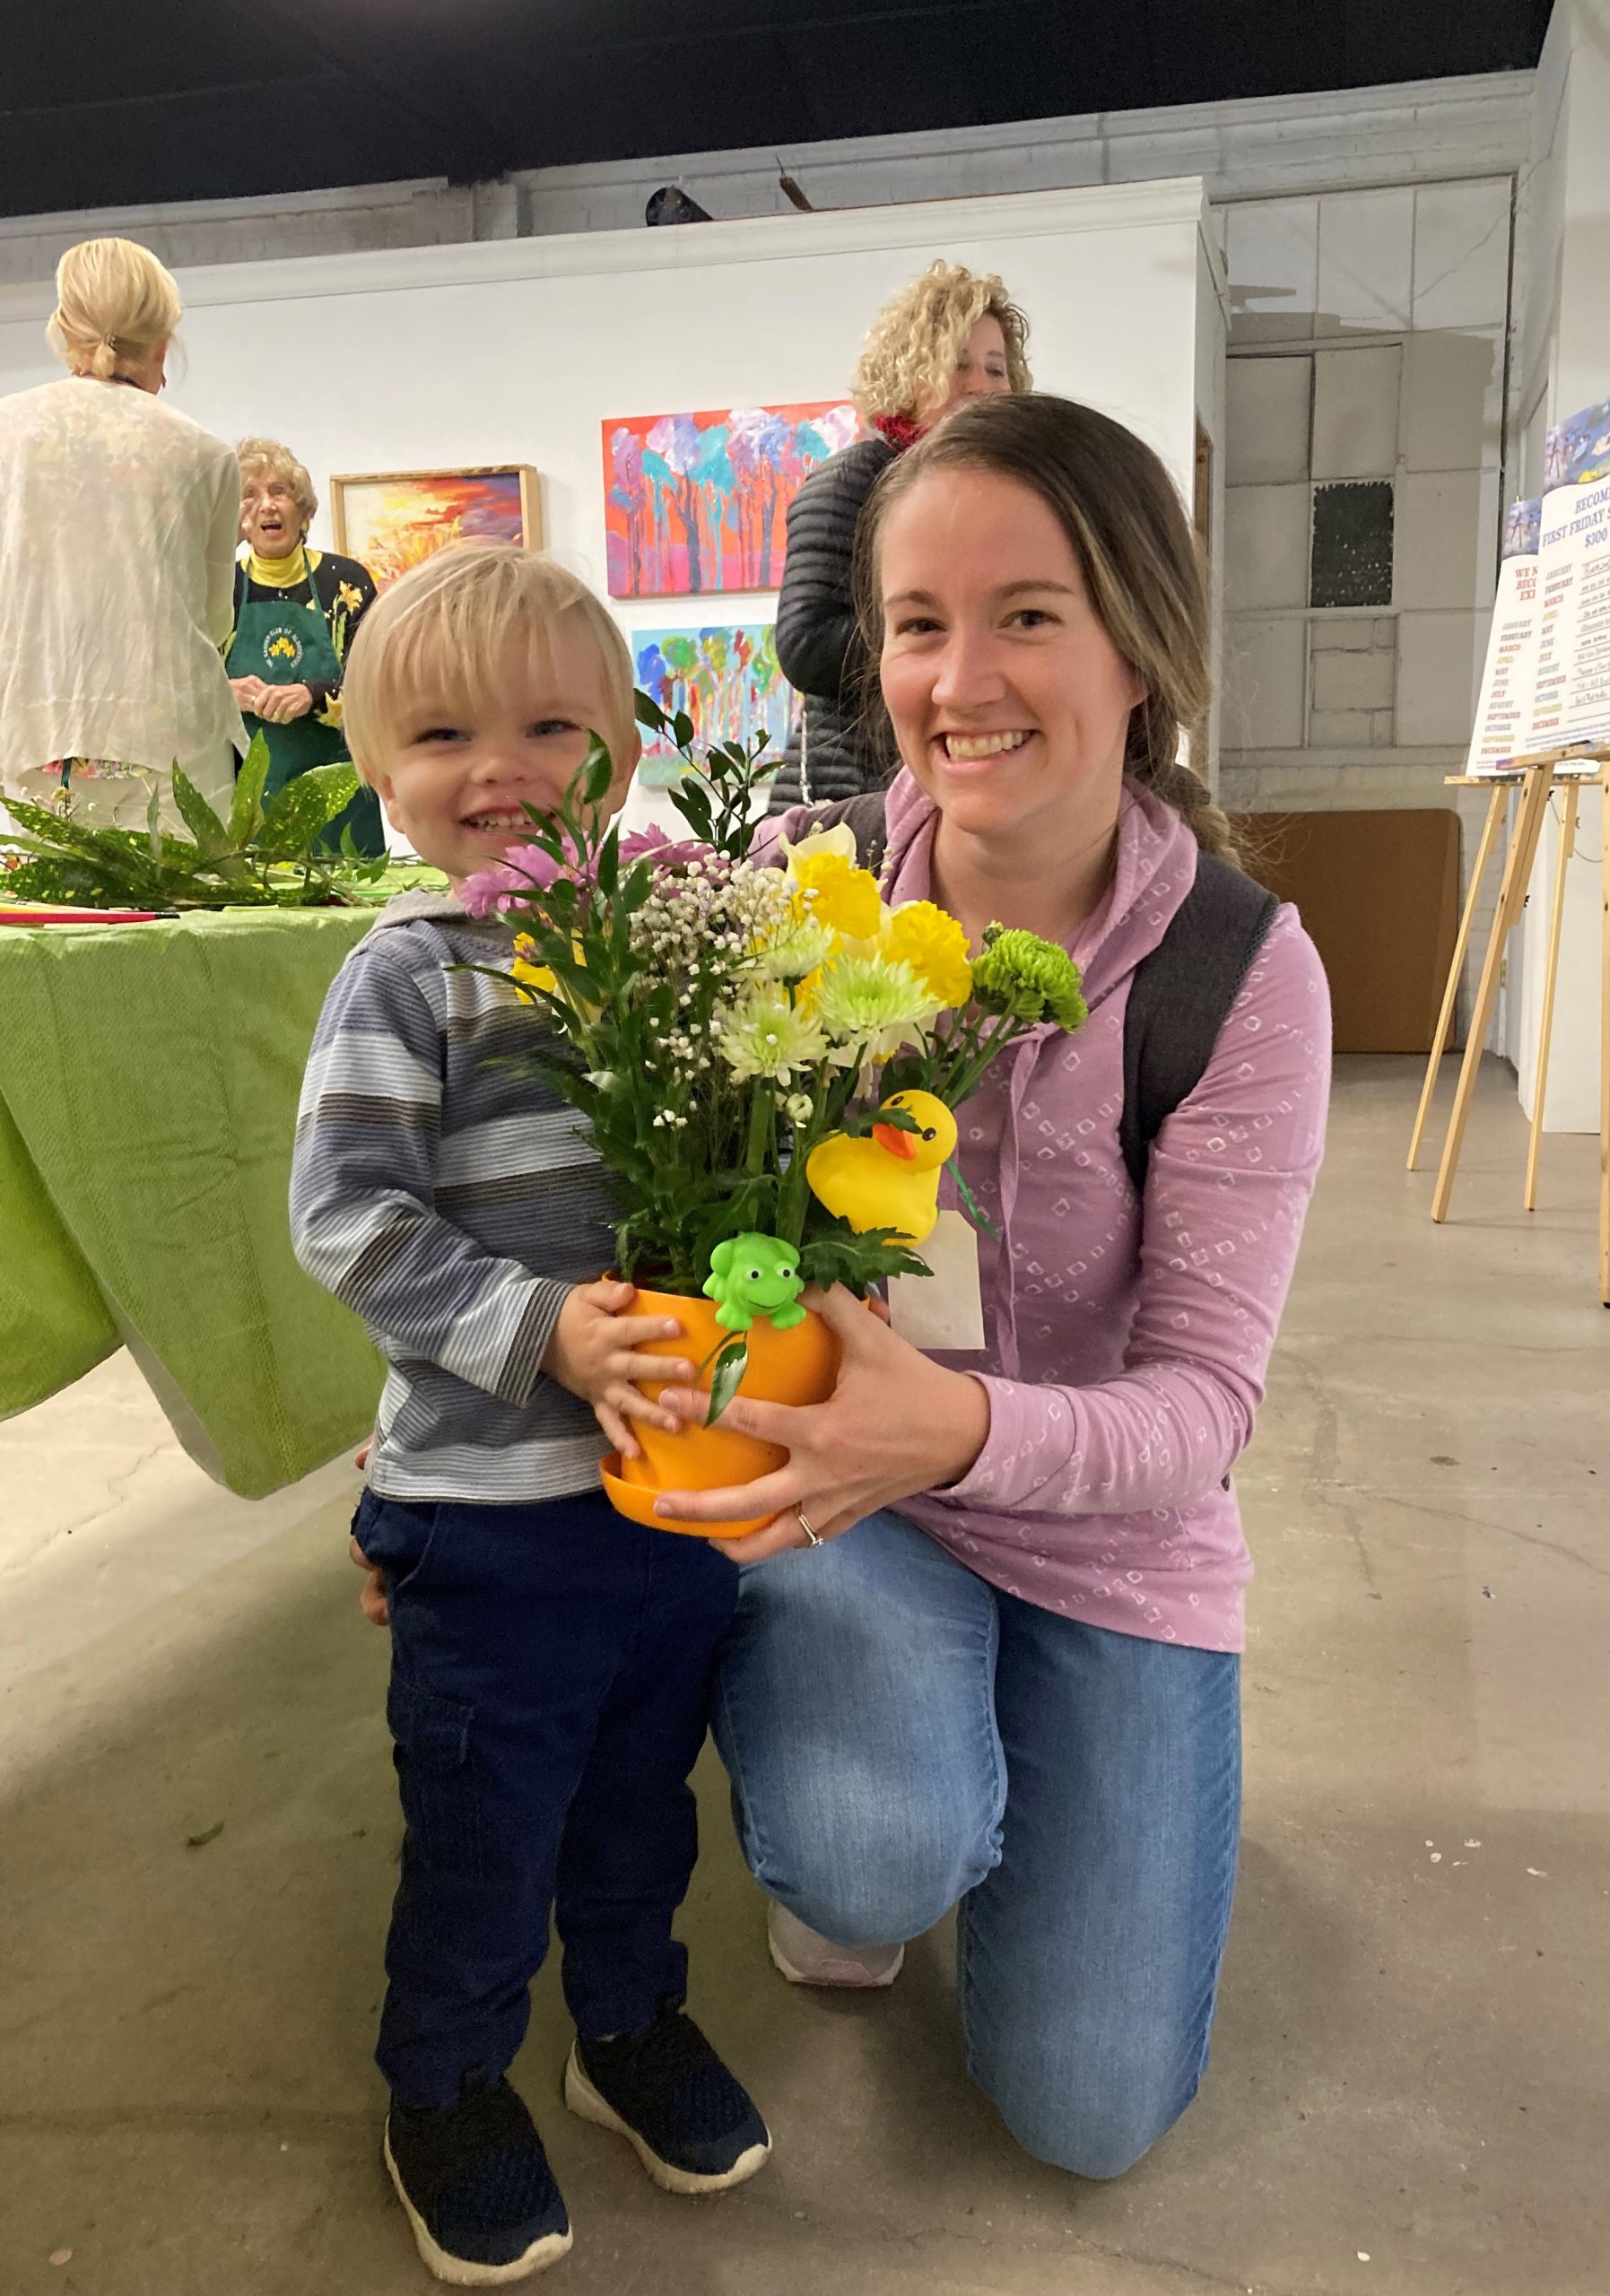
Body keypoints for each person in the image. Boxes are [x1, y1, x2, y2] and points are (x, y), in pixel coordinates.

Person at [658, 395, 1334, 2179]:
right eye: (917, 622)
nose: (964, 676)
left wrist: (949, 1428)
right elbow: (668, 1221)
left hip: (1111, 1541)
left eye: (1028, 613)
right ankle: (872, 1819)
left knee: (1090, 2111)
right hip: (843, 1516)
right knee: (876, 1851)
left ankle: (1045, 1762)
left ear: (1140, 647)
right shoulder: (797, 910)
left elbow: (1204, 1410)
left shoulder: (1232, 973)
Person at [292, 545, 770, 2287]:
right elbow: (347, 1215)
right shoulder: (404, 976)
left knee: (644, 1798)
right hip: (489, 1516)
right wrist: (538, 1328)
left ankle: (628, 2021)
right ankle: (447, 2081)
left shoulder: (653, 945)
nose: (496, 766)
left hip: (663, 1500)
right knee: (489, 1822)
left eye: (548, 724)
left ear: (624, 753)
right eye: (439, 731)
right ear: (374, 772)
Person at [766, 258, 1031, 811]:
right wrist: (940, 635)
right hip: (848, 798)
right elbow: (806, 644)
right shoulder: (855, 478)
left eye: (995, 368)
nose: (981, 386)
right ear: (910, 375)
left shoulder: (996, 497)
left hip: (938, 787)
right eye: (958, 365)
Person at [0, 238, 245, 829]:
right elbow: (214, 623)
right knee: (186, 919)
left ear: (63, 330)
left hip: (32, 740)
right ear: (163, 343)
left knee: (46, 920)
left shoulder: (6, 432)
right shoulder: (205, 454)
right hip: (171, 748)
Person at [227, 435, 385, 852]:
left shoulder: (344, 582)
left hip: (341, 805)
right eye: (249, 495)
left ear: (302, 509)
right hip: (248, 806)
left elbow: (383, 688)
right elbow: (179, 691)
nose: (267, 505)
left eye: (279, 491)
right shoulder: (220, 587)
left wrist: (313, 695)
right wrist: (226, 693)